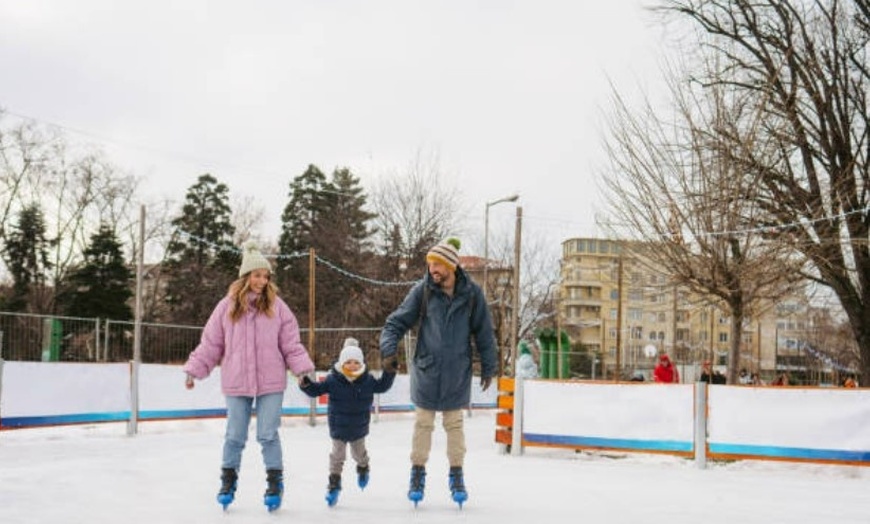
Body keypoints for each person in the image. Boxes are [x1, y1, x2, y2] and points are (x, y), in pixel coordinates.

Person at [182, 241, 315, 512]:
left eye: (266, 276)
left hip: (270, 381)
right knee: (234, 435)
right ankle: (228, 481)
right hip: (237, 380)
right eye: (257, 275)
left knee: (267, 434)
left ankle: (275, 483)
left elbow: (291, 344)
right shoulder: (226, 307)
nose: (262, 281)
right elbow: (211, 344)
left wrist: (302, 370)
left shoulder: (277, 307)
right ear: (245, 276)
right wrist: (194, 369)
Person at [379, 237, 497, 507]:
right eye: (430, 263)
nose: (433, 268)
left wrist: (489, 365)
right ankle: (417, 473)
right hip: (427, 369)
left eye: (438, 264)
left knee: (454, 425)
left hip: (457, 372)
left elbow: (484, 332)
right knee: (423, 424)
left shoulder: (472, 294)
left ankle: (457, 475)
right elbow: (395, 322)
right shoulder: (422, 291)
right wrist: (388, 351)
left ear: (451, 266)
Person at [299, 337, 398, 507]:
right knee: (337, 456)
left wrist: (389, 371)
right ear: (342, 363)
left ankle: (363, 468)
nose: (352, 365)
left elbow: (382, 386)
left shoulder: (367, 380)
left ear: (361, 363)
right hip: (338, 426)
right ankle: (334, 484)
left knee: (359, 454)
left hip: (358, 428)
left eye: (356, 362)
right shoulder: (333, 380)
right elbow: (316, 390)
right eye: (348, 362)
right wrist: (306, 384)